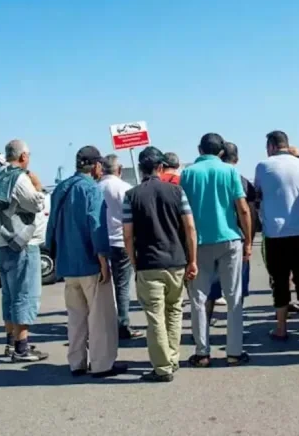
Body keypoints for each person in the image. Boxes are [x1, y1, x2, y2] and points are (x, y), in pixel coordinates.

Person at [47, 146, 127, 378]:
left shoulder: (61, 188)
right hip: (89, 262)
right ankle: (102, 364)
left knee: (76, 317)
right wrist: (103, 259)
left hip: (68, 263)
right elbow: (96, 225)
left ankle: (76, 362)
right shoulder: (90, 189)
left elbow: (51, 225)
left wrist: (54, 253)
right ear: (95, 166)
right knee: (100, 317)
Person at [123, 146, 198, 382]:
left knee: (155, 317)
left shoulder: (131, 195)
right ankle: (173, 358)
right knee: (174, 311)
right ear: (161, 167)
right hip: (176, 261)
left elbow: (127, 235)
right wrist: (192, 260)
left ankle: (162, 367)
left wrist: (134, 261)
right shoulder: (177, 192)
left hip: (148, 263)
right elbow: (190, 228)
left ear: (140, 168)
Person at [181, 133, 253, 367]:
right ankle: (234, 351)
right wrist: (249, 240)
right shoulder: (229, 172)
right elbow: (242, 209)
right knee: (233, 297)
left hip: (198, 241)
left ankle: (202, 352)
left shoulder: (188, 173)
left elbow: (183, 212)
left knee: (198, 298)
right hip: (229, 238)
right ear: (221, 152)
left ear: (199, 149)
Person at [0, 139, 49, 362]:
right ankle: (22, 347)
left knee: (8, 296)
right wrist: (38, 187)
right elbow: (36, 204)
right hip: (21, 246)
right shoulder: (19, 178)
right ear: (23, 156)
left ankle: (10, 342)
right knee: (25, 295)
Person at [255, 131, 299, 339]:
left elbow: (258, 193)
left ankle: (281, 327)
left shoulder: (263, 166)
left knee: (280, 279)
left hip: (275, 232)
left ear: (272, 146)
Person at [206, 142, 255, 325]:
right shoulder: (241, 180)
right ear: (237, 158)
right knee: (237, 287)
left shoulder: (207, 176)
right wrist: (249, 240)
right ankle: (236, 326)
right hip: (235, 238)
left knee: (210, 287)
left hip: (209, 238)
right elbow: (248, 211)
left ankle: (205, 324)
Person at [99, 154, 142, 340]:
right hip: (121, 241)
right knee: (122, 286)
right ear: (120, 169)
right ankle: (123, 324)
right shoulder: (125, 188)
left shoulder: (95, 188)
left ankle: (104, 324)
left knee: (103, 284)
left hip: (101, 241)